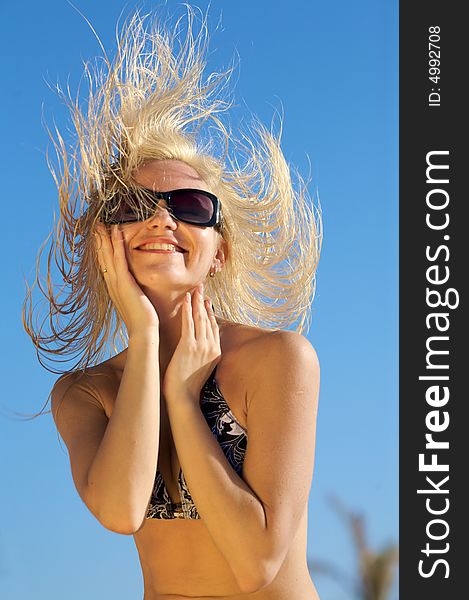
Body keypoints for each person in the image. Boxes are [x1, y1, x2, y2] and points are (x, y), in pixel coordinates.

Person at [23, 9, 322, 600]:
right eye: (134, 204)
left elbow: (256, 561)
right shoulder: (84, 393)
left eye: (189, 205)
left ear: (220, 252)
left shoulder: (279, 360)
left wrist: (185, 401)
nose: (161, 217)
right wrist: (144, 336)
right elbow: (122, 508)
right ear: (105, 241)